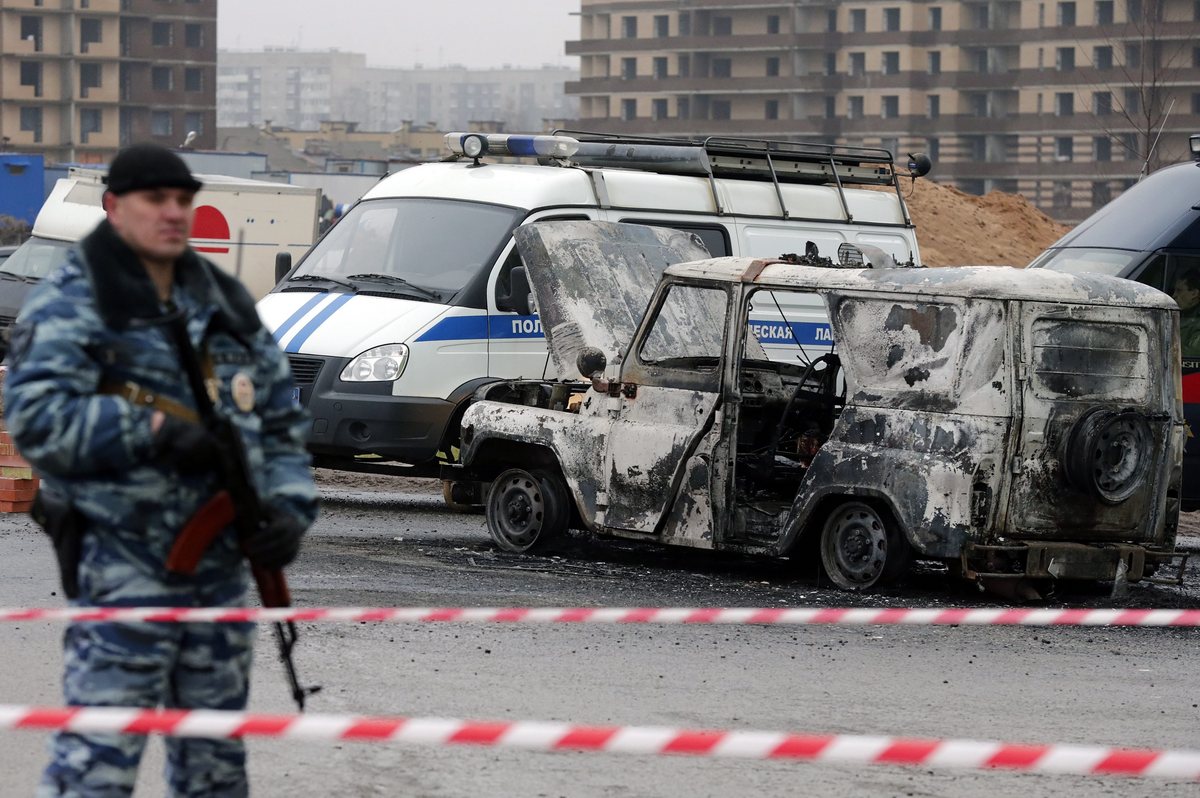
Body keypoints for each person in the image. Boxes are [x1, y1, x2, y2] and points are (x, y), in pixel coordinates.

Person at [3, 143, 318, 797]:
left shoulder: (223, 301)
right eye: (156, 199)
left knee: (214, 769)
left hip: (219, 568)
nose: (173, 212)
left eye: (182, 200)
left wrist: (289, 509)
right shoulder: (73, 301)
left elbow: (281, 420)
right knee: (97, 763)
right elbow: (36, 420)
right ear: (114, 206)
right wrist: (149, 431)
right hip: (122, 564)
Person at [1172, 267, 1200, 356]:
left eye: (1179, 291)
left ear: (1194, 293)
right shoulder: (1180, 314)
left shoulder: (1196, 322)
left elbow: (1191, 354)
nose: (1174, 296)